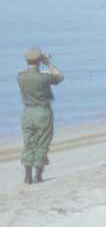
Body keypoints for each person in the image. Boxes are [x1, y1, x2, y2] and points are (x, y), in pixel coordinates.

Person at [17, 47, 64, 184]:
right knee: (42, 143)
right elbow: (59, 77)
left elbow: (29, 72)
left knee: (28, 143)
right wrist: (48, 62)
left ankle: (27, 176)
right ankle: (38, 175)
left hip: (27, 112)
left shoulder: (20, 77)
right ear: (38, 61)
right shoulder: (43, 77)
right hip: (42, 111)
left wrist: (38, 61)